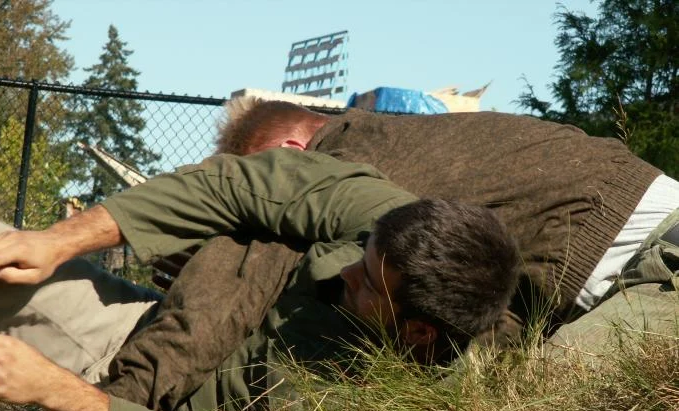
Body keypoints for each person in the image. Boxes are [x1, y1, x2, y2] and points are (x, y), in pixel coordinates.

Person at [0, 148, 519, 411]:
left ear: (417, 333)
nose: (347, 269)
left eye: (367, 283)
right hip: (146, 335)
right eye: (363, 249)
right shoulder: (389, 221)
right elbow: (235, 184)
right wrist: (59, 241)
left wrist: (52, 389)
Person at [214, 97, 679, 351]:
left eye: (264, 178)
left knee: (550, 405)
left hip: (663, 256)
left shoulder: (352, 158)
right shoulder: (398, 142)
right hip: (615, 269)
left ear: (293, 155)